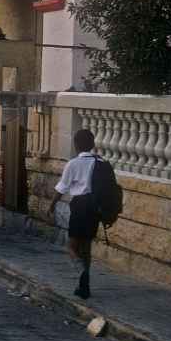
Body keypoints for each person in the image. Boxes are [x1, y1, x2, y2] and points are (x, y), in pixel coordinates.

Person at [47, 128, 100, 299]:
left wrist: (52, 205)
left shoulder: (73, 164)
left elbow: (62, 188)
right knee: (86, 247)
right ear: (92, 144)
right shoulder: (100, 162)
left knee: (71, 246)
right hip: (94, 207)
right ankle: (85, 286)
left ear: (76, 145)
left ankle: (79, 269)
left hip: (79, 205)